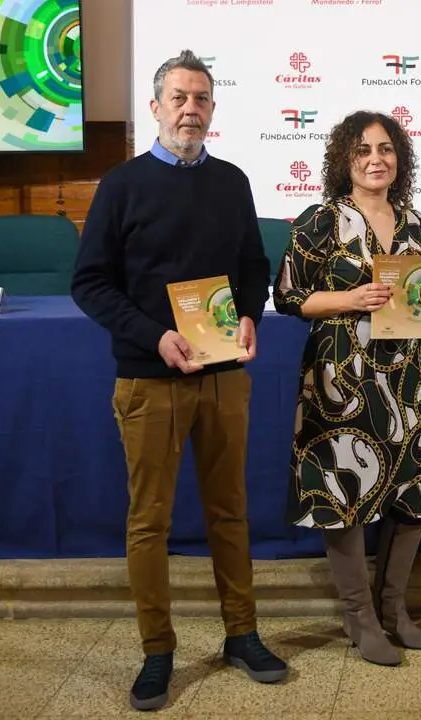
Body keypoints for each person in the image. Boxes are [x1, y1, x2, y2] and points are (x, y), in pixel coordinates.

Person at [71, 49, 287, 711]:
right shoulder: (121, 185)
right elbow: (90, 283)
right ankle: (157, 650)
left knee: (230, 512)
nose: (191, 109)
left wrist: (249, 315)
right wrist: (154, 337)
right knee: (150, 523)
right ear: (156, 107)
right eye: (179, 98)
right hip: (149, 379)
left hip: (223, 377)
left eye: (201, 98)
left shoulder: (232, 181)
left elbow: (253, 266)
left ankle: (242, 634)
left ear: (212, 109)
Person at [272, 110, 421, 667]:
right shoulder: (321, 219)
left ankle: (394, 611)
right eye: (364, 150)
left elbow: (411, 296)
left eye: (386, 148)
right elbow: (287, 297)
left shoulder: (414, 222)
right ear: (345, 160)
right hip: (340, 373)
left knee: (412, 491)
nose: (376, 159)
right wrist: (349, 299)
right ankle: (360, 618)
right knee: (343, 492)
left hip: (405, 372)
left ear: (400, 158)